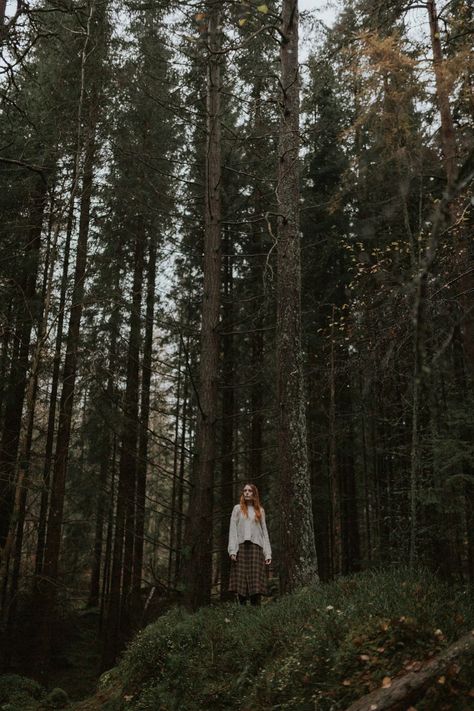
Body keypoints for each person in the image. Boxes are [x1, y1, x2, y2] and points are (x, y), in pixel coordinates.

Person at [228, 483, 272, 605]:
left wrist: (267, 553)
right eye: (245, 490)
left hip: (256, 549)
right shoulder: (237, 509)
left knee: (255, 582)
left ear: (254, 493)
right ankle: (242, 613)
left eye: (250, 491)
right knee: (241, 581)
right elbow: (233, 530)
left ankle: (255, 612)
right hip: (241, 548)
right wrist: (232, 550)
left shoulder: (260, 510)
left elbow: (264, 532)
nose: (247, 492)